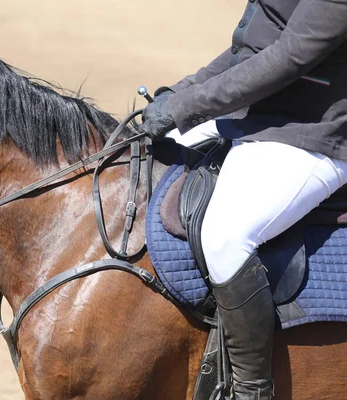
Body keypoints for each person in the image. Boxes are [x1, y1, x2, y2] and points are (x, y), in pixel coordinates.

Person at [140, 1, 347, 399]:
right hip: (264, 115)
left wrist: (188, 106)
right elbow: (252, 47)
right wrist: (179, 94)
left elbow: (290, 55)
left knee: (225, 236)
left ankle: (251, 390)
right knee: (150, 152)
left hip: (314, 134)